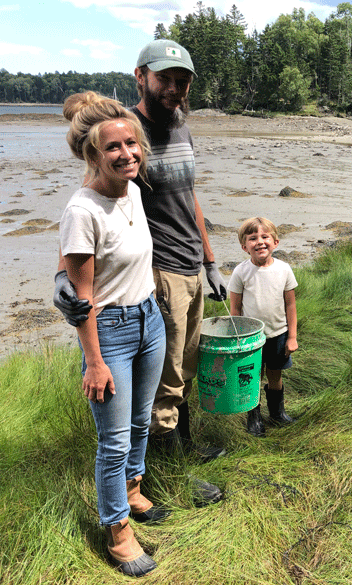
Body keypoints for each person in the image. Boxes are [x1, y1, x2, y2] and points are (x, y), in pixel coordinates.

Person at [54, 40, 226, 505]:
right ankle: (170, 476)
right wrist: (62, 279)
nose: (174, 88)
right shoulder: (124, 131)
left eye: (182, 80)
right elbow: (89, 204)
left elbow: (191, 197)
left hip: (191, 267)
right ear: (141, 77)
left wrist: (210, 260)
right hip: (158, 275)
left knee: (183, 370)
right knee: (164, 383)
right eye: (164, 78)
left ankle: (180, 451)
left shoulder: (181, 127)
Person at [59, 91, 166, 577]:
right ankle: (117, 530)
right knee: (114, 441)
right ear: (93, 156)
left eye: (132, 143)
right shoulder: (82, 210)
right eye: (114, 148)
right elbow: (81, 298)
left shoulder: (135, 191)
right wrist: (95, 361)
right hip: (111, 331)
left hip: (150, 320)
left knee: (141, 422)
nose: (128, 154)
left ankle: (133, 492)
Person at [228, 217, 298, 437]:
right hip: (250, 338)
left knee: (275, 375)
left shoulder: (284, 269)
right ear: (244, 246)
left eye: (265, 237)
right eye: (252, 238)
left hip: (278, 334)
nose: (259, 242)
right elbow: (235, 309)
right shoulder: (240, 272)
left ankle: (277, 413)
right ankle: (254, 418)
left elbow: (290, 305)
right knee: (252, 378)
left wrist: (292, 336)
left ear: (275, 242)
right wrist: (237, 338)